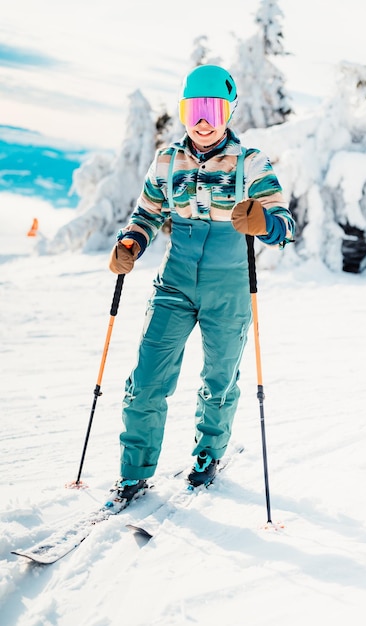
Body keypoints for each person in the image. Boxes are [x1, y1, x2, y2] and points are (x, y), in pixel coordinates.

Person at [106, 64, 295, 507]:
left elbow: (285, 225)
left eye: (212, 108)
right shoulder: (168, 160)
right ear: (183, 112)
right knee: (147, 378)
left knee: (218, 380)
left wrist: (264, 221)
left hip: (228, 287)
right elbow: (148, 213)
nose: (203, 120)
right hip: (174, 280)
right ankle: (133, 473)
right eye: (194, 110)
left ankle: (207, 455)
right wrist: (132, 241)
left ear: (228, 111)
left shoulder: (251, 163)